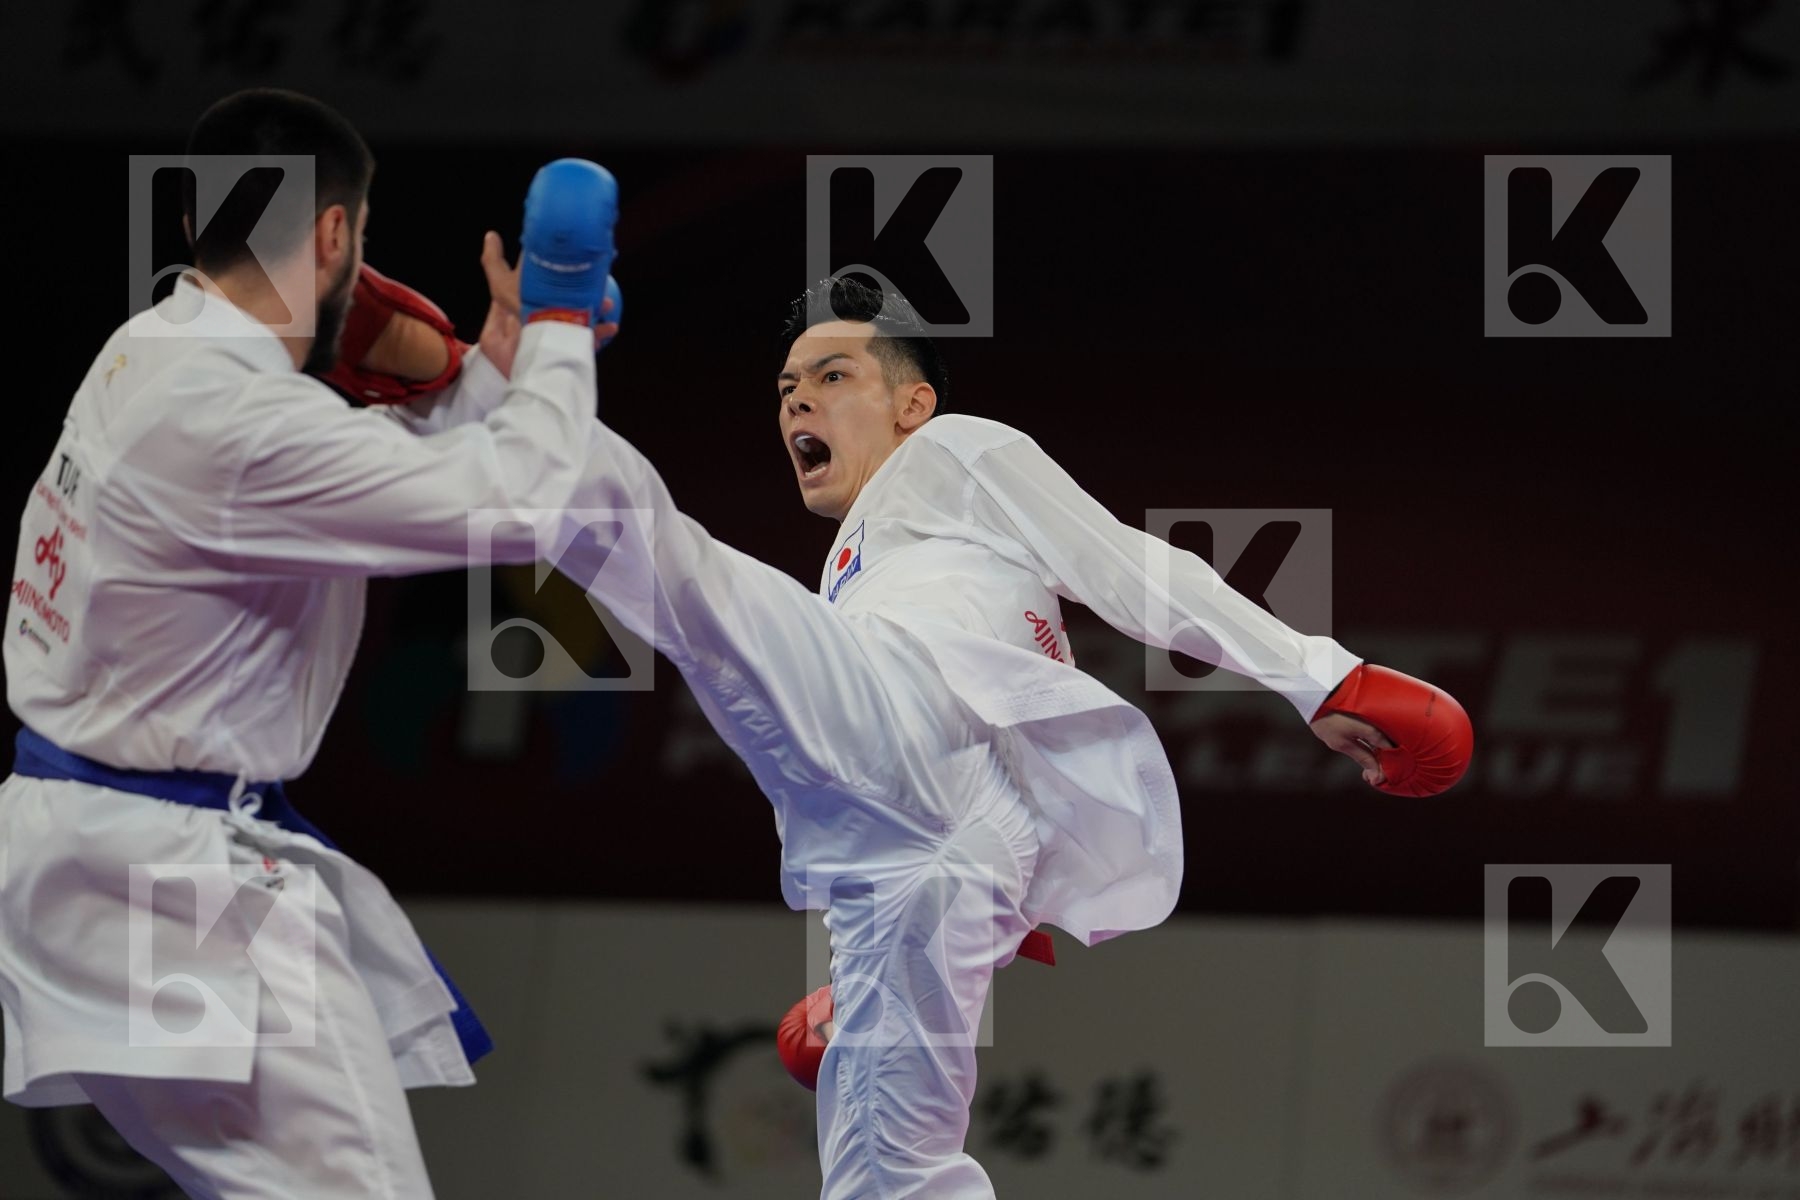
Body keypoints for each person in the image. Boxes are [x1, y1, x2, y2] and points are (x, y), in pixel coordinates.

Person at [554, 275, 1472, 1198]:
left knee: (675, 570)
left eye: (832, 376)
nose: (797, 398)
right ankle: (524, 430)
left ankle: (530, 371)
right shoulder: (858, 561)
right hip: (941, 847)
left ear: (913, 403)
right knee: (892, 1177)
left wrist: (1319, 673)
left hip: (918, 732)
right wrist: (857, 992)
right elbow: (966, 836)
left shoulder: (951, 451)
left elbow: (1130, 570)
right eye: (787, 388)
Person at [0, 87, 619, 1199]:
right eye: (359, 235)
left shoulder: (154, 345)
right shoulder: (237, 422)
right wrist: (564, 326)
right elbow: (514, 510)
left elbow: (332, 476)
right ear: (336, 233)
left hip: (92, 857)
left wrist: (488, 370)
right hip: (175, 886)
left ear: (194, 227)